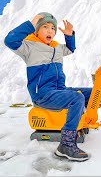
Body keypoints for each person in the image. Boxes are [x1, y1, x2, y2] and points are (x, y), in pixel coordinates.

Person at [4, 12, 91, 162]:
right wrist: (30, 24)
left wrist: (70, 35)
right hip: (43, 95)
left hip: (59, 91)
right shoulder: (28, 47)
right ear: (36, 31)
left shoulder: (56, 48)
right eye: (45, 27)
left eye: (52, 28)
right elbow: (9, 40)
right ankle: (66, 144)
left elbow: (70, 49)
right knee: (77, 98)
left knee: (91, 92)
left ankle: (79, 122)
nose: (50, 30)